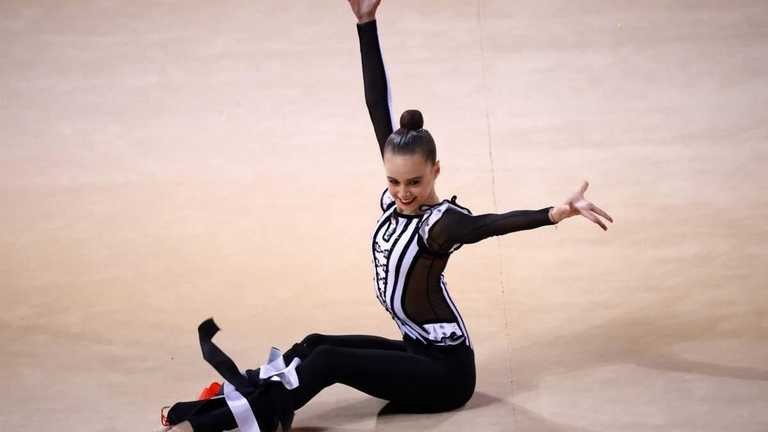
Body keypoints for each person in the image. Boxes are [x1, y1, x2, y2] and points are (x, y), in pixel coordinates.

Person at [159, 1, 613, 431]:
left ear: (435, 171)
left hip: (447, 376)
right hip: (419, 351)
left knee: (329, 362)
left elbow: (489, 225)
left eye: (414, 182)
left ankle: (218, 423)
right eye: (394, 182)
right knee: (315, 344)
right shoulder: (396, 187)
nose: (402, 193)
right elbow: (378, 105)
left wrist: (554, 212)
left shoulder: (441, 223)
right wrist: (366, 26)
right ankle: (240, 398)